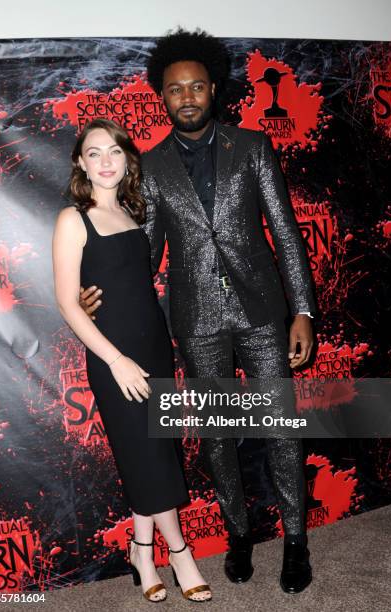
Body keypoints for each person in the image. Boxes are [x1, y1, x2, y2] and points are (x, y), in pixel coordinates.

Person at [80, 29, 316, 594]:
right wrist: (100, 287)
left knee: (280, 428)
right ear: (161, 97)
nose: (186, 97)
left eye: (196, 86)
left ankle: (296, 539)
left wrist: (302, 310)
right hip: (194, 319)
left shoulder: (253, 146)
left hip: (262, 312)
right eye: (174, 89)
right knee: (217, 436)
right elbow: (146, 248)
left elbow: (285, 235)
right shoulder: (152, 166)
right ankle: (237, 533)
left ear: (213, 89)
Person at [52, 118, 212, 603]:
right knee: (145, 453)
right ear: (81, 162)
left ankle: (142, 551)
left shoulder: (133, 212)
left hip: (153, 346)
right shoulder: (71, 220)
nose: (105, 161)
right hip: (113, 355)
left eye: (114, 152)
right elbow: (66, 302)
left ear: (127, 160)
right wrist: (116, 359)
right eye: (94, 152)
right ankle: (180, 553)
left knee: (156, 450)